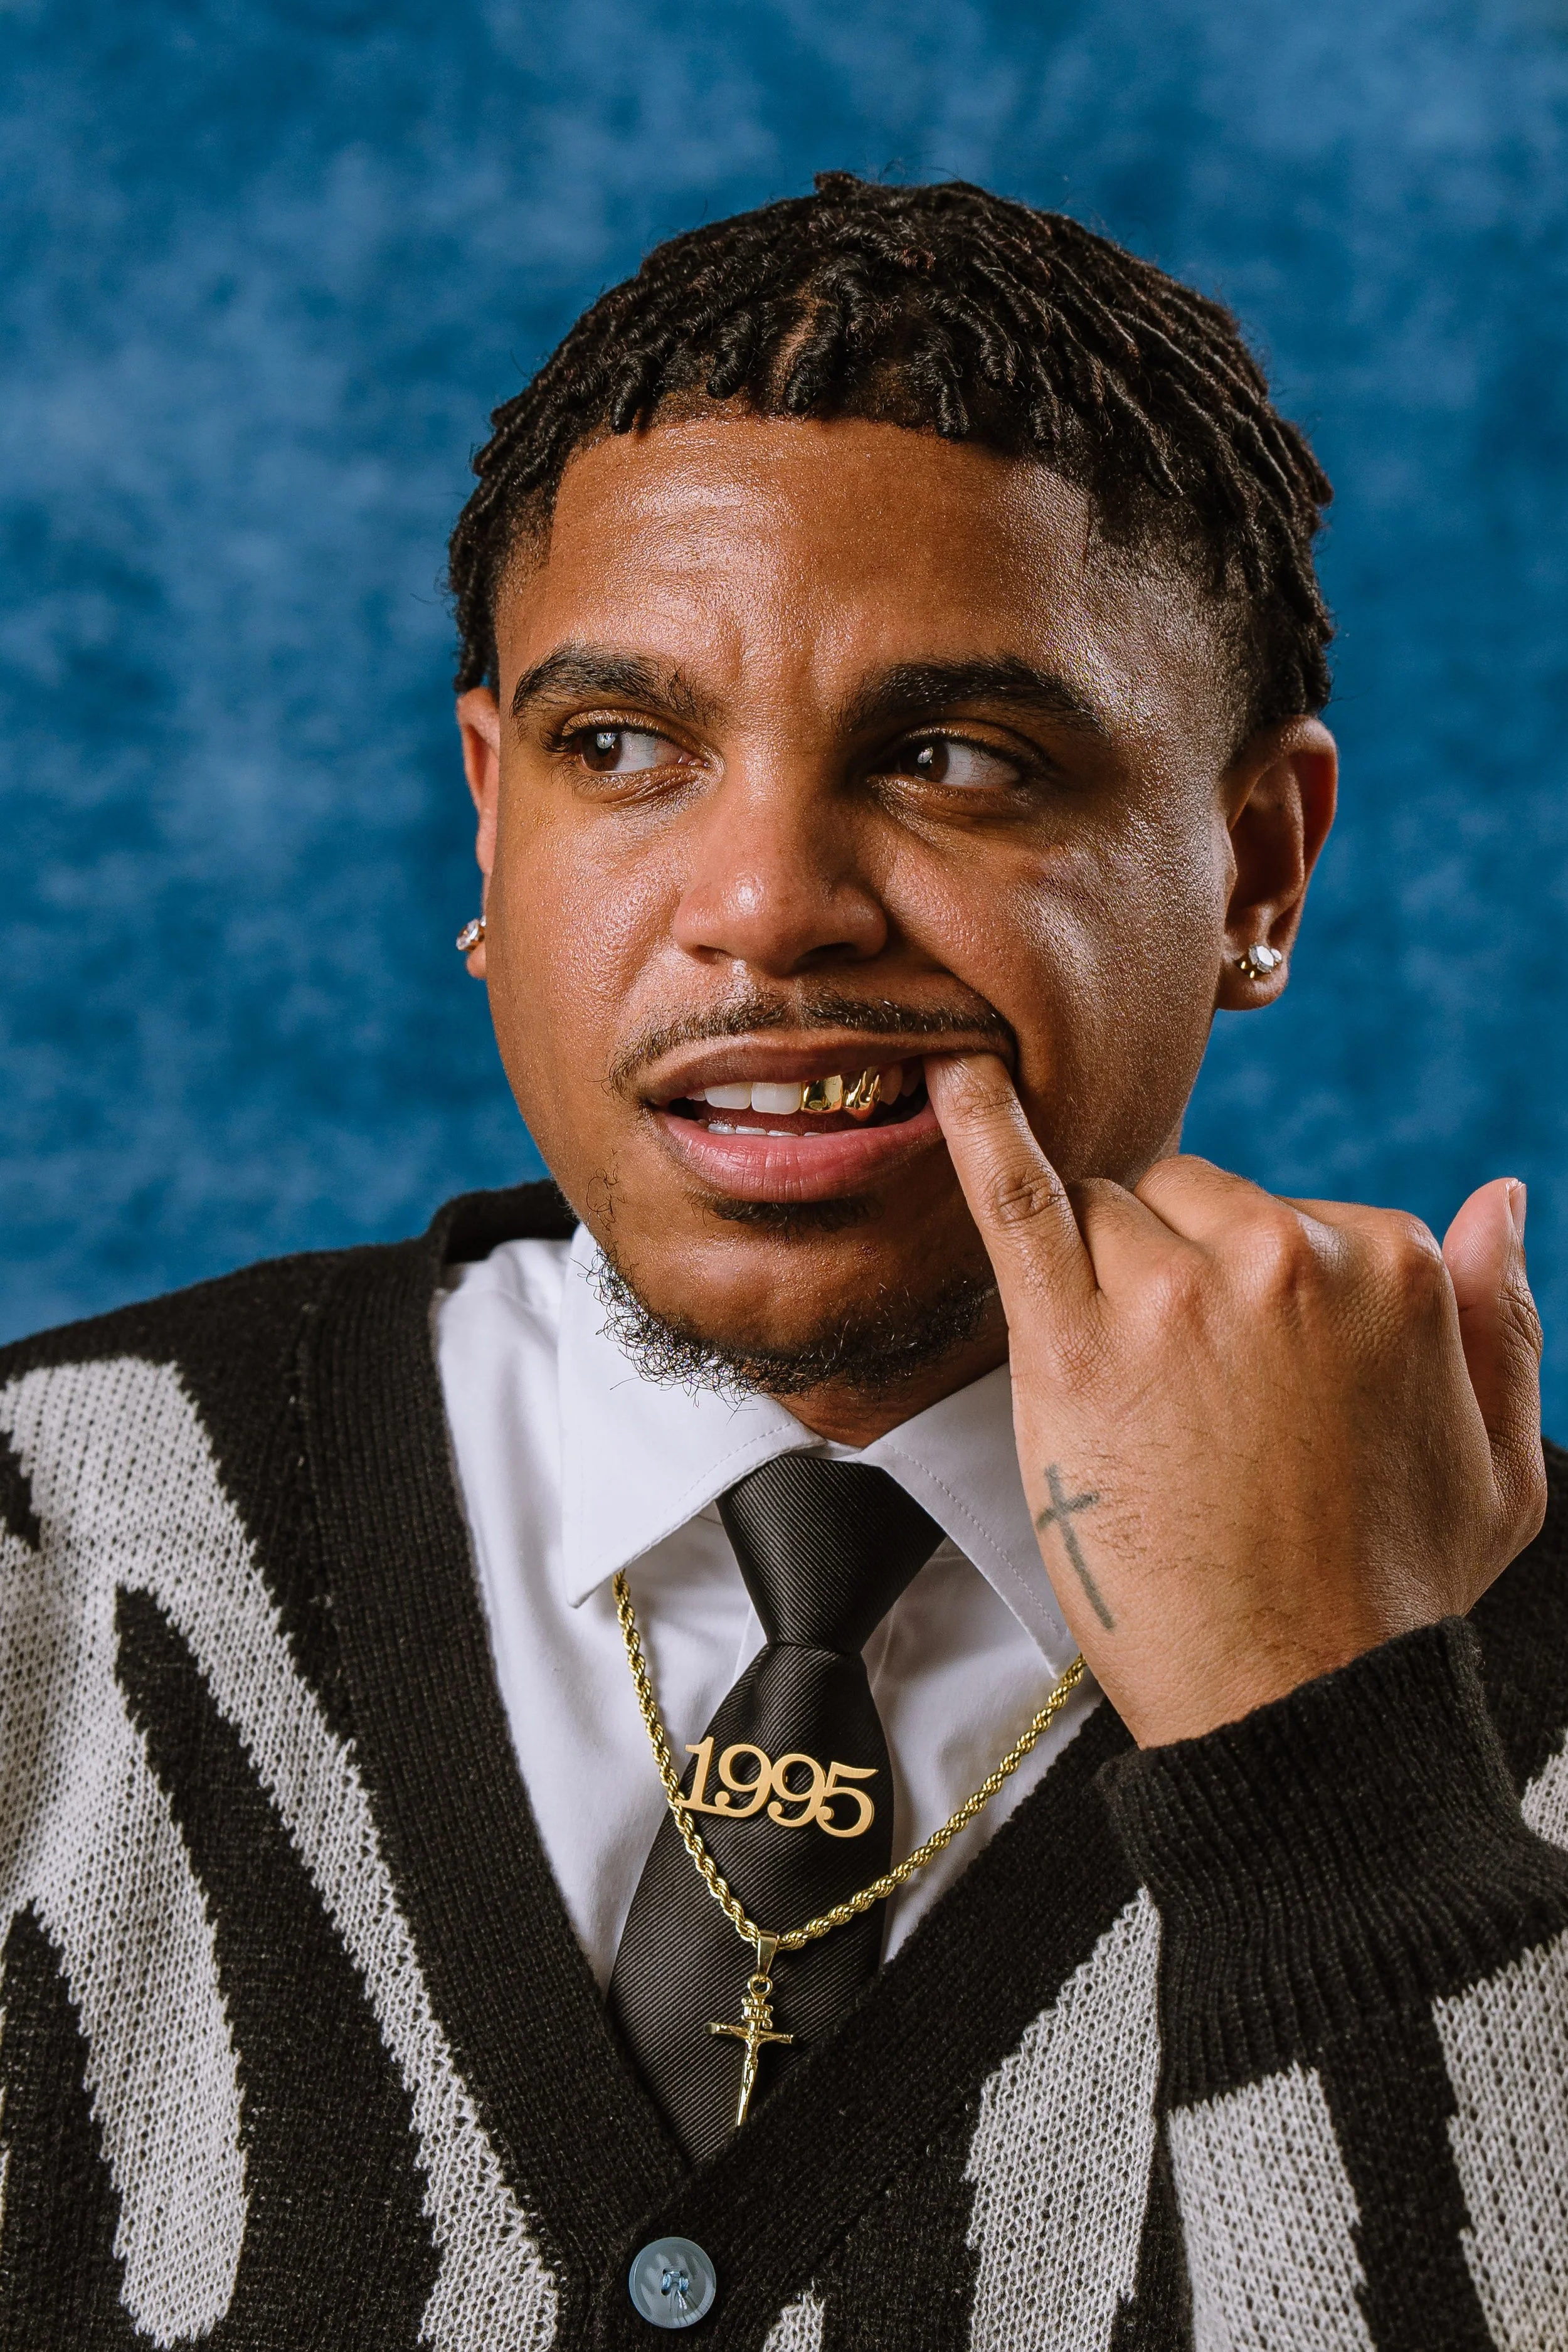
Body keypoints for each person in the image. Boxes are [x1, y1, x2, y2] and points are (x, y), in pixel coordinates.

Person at [0, 171, 1561, 2351]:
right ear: (488, 816)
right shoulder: (45, 1554)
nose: (758, 902)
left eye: (949, 757)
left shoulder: (1509, 1673)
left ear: (1255, 865)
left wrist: (1338, 1776)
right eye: (619, 749)